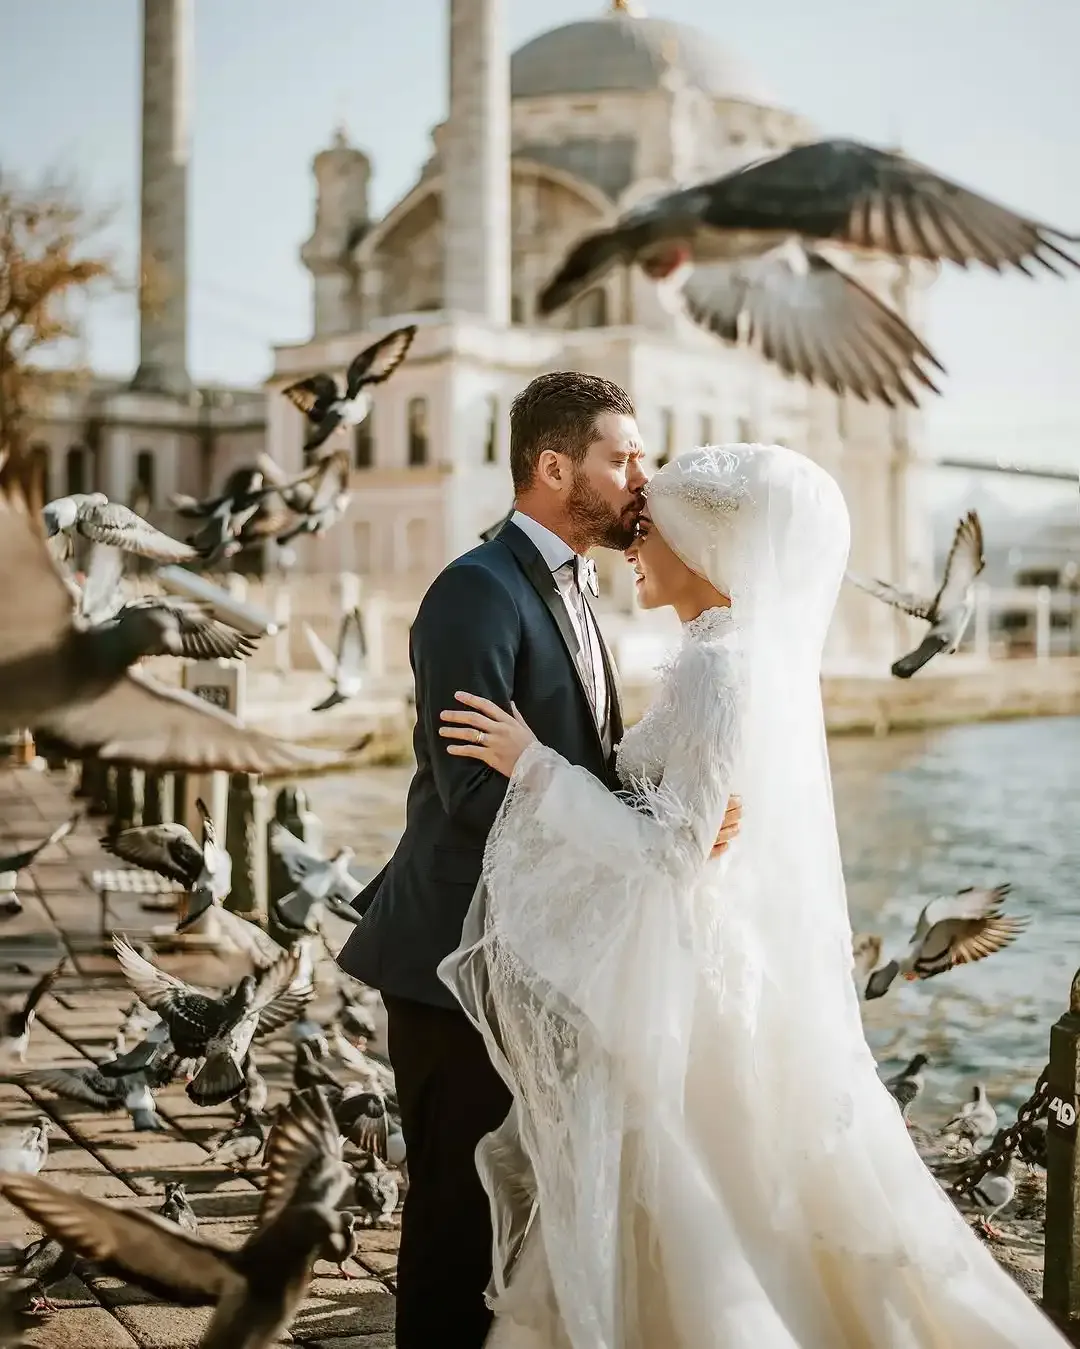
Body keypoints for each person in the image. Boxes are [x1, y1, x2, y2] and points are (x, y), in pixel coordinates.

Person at [438, 442, 1069, 1349]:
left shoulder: (718, 668)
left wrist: (531, 764)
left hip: (693, 986)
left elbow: (667, 856)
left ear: (706, 548)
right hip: (700, 964)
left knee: (692, 1203)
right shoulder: (719, 658)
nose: (634, 544)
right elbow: (690, 828)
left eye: (652, 530)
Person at [336, 373, 743, 1348]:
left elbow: (581, 764)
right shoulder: (473, 593)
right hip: (448, 958)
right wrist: (643, 833)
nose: (642, 477)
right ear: (554, 467)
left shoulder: (583, 590)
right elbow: (477, 792)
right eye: (623, 456)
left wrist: (671, 816)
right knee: (449, 1209)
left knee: (515, 1201)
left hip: (534, 951)